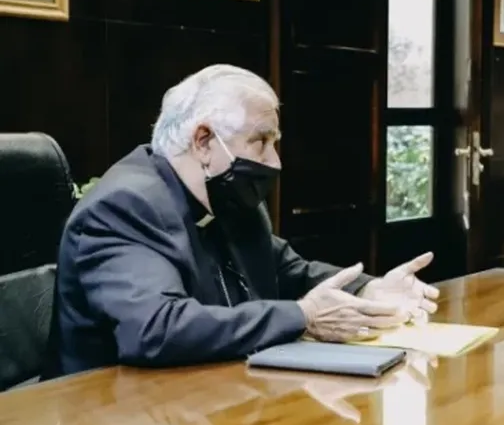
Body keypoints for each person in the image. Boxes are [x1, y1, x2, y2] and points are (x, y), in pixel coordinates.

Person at [47, 65, 439, 376]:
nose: (274, 161)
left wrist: (370, 290)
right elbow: (156, 329)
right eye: (261, 142)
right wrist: (304, 317)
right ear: (203, 141)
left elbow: (291, 271)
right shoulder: (126, 206)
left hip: (204, 396)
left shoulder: (226, 198)